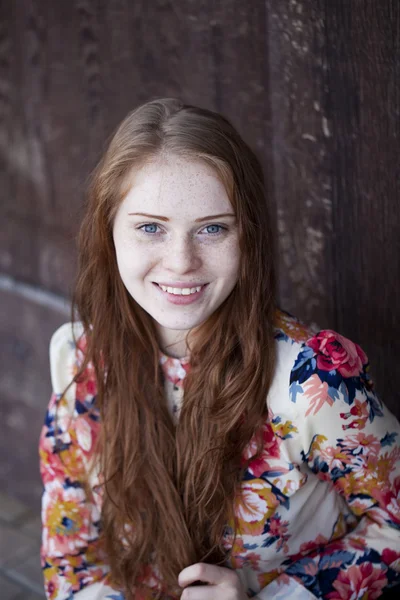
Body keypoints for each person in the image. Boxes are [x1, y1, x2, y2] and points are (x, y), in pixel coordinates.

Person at [39, 98, 400, 600]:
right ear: (110, 232)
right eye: (150, 228)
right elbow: (71, 548)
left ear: (245, 237)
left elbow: (393, 521)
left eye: (212, 228)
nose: (181, 261)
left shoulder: (313, 381)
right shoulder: (84, 359)